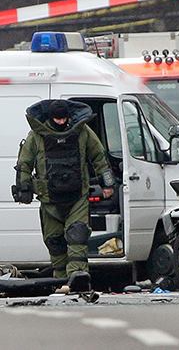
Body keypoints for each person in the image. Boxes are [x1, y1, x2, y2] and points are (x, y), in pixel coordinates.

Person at [13, 99, 114, 279]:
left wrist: (107, 184)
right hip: (49, 198)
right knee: (54, 240)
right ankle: (60, 278)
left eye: (63, 119)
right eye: (57, 119)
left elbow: (99, 156)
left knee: (78, 234)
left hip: (77, 196)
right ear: (51, 118)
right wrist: (24, 188)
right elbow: (24, 163)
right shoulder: (37, 135)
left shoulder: (82, 131)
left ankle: (78, 275)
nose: (61, 123)